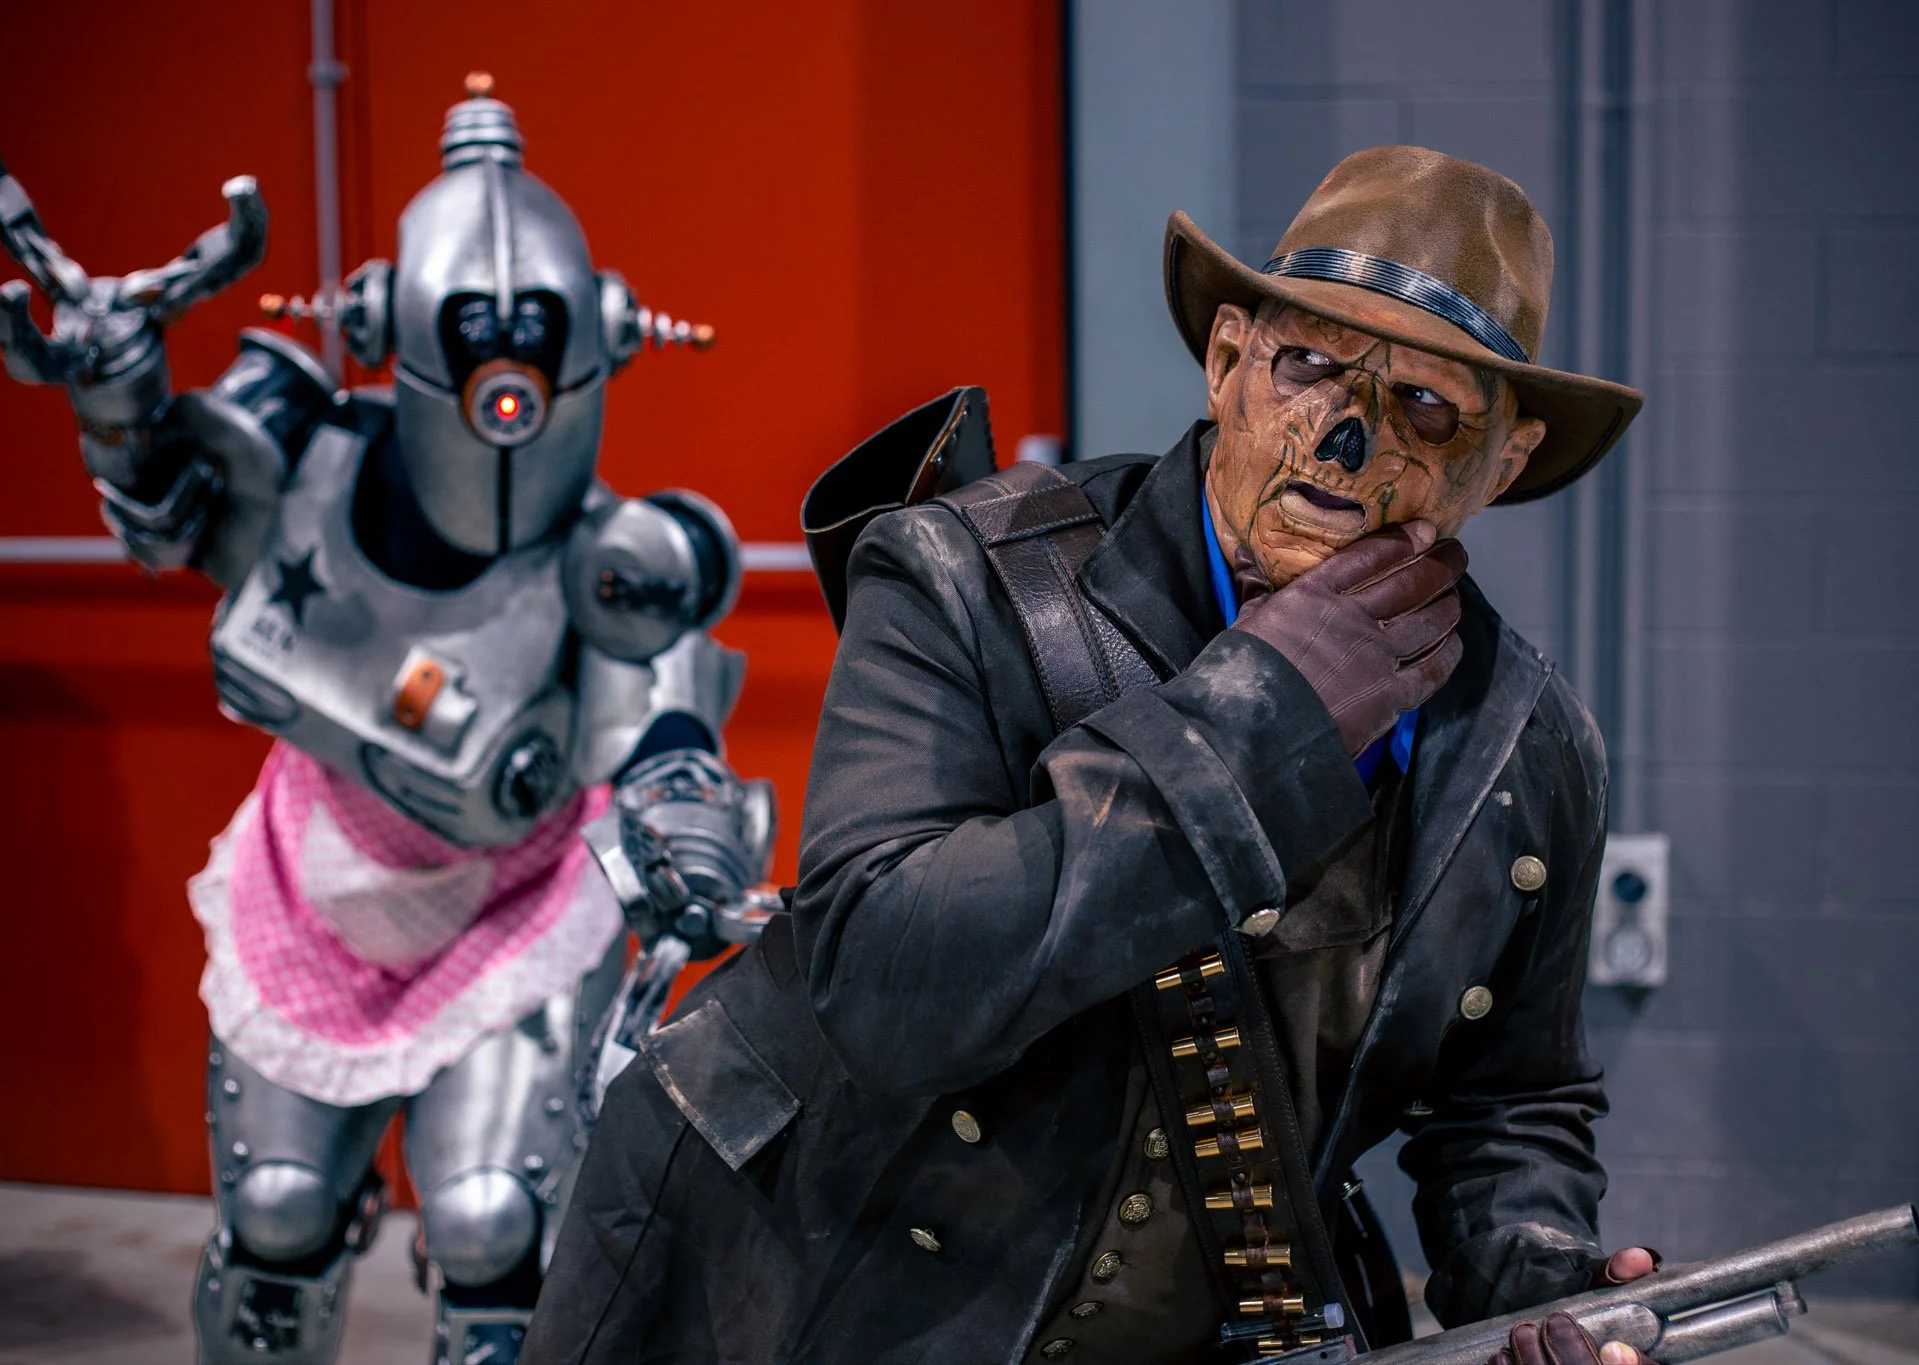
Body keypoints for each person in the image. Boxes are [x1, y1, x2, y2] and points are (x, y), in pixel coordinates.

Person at [525, 146, 1654, 1365]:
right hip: (799, 1284)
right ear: (1225, 362)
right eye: (1309, 369)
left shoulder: (1522, 745)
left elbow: (1506, 1101)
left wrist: (1538, 1280)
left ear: (1504, 461)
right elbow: (882, 980)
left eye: (1423, 409)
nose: (1340, 442)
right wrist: (1268, 718)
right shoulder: (964, 577)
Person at [0, 78, 772, 1365]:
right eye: (467, 335)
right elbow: (168, 509)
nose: (502, 384)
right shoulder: (298, 460)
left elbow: (667, 735)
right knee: (275, 1213)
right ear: (386, 324)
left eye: (532, 340)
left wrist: (685, 829)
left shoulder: (622, 564)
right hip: (315, 888)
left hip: (518, 909)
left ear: (596, 339)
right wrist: (118, 397)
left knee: (492, 1225)